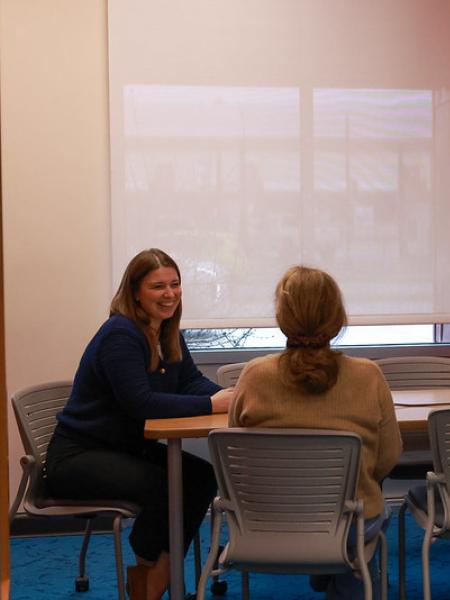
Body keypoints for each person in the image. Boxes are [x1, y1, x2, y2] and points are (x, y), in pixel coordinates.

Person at [46, 248, 234, 600]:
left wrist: (228, 396)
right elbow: (140, 404)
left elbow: (190, 381)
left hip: (124, 448)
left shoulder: (165, 331)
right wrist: (212, 404)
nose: (169, 294)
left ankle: (156, 576)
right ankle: (151, 579)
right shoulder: (121, 334)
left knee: (200, 477)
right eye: (158, 286)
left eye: (175, 284)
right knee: (169, 484)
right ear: (135, 292)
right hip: (79, 456)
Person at [228, 265, 402, 600]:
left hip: (266, 526)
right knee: (371, 518)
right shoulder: (369, 376)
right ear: (337, 317)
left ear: (283, 318)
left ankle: (329, 572)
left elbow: (238, 462)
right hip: (349, 524)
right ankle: (343, 576)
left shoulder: (253, 376)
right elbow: (387, 458)